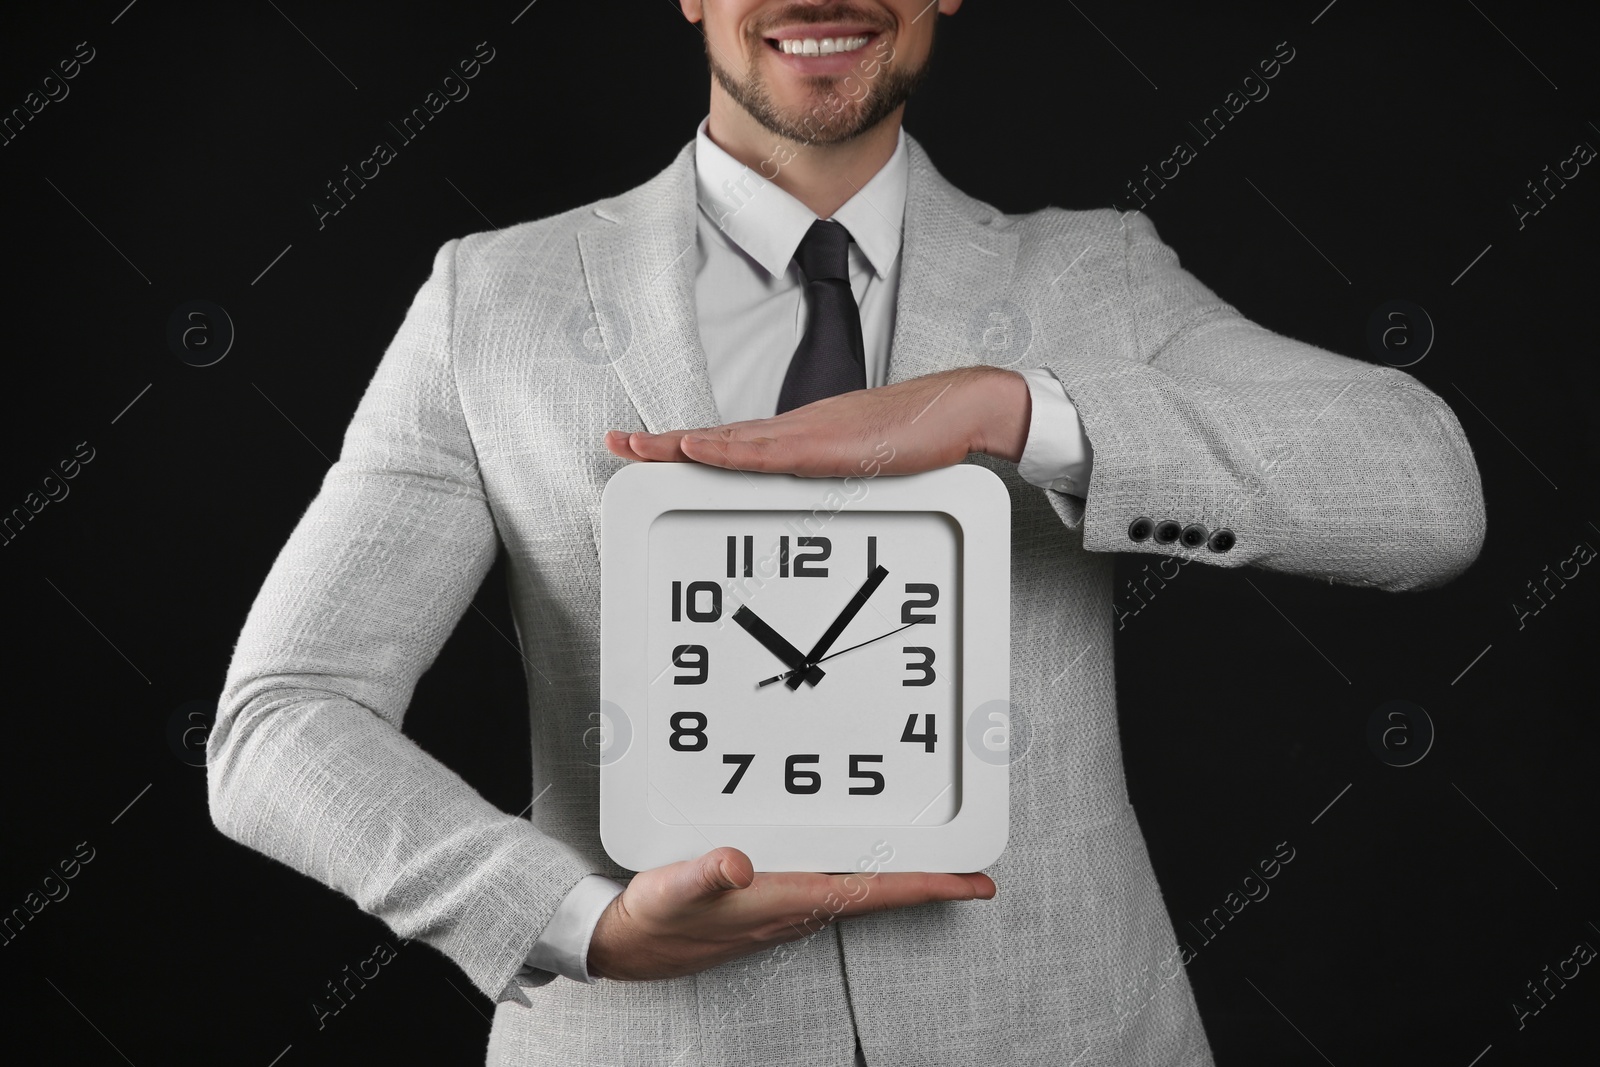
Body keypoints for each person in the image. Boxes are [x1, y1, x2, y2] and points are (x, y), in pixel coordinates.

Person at [208, 2, 1487, 1064]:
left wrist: (1013, 411)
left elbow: (1426, 492)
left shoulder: (1093, 276)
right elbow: (286, 714)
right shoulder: (494, 299)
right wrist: (573, 917)